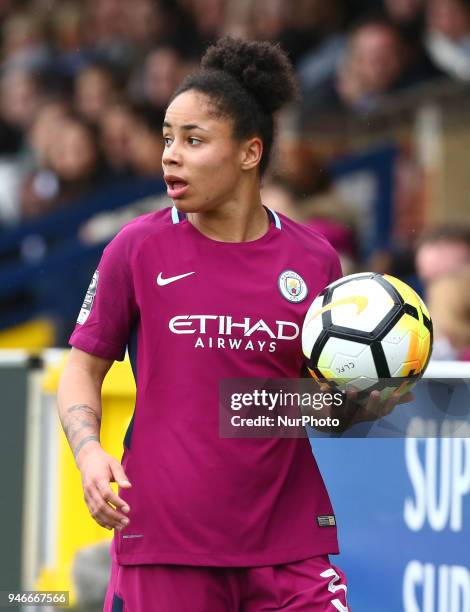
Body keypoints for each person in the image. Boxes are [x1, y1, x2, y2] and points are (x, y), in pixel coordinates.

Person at [58, 36, 406, 611]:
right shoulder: (136, 247)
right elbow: (82, 366)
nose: (170, 154)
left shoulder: (314, 259)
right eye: (168, 138)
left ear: (249, 152)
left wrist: (359, 404)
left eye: (193, 141)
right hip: (167, 543)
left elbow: (298, 406)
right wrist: (90, 453)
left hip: (290, 545)